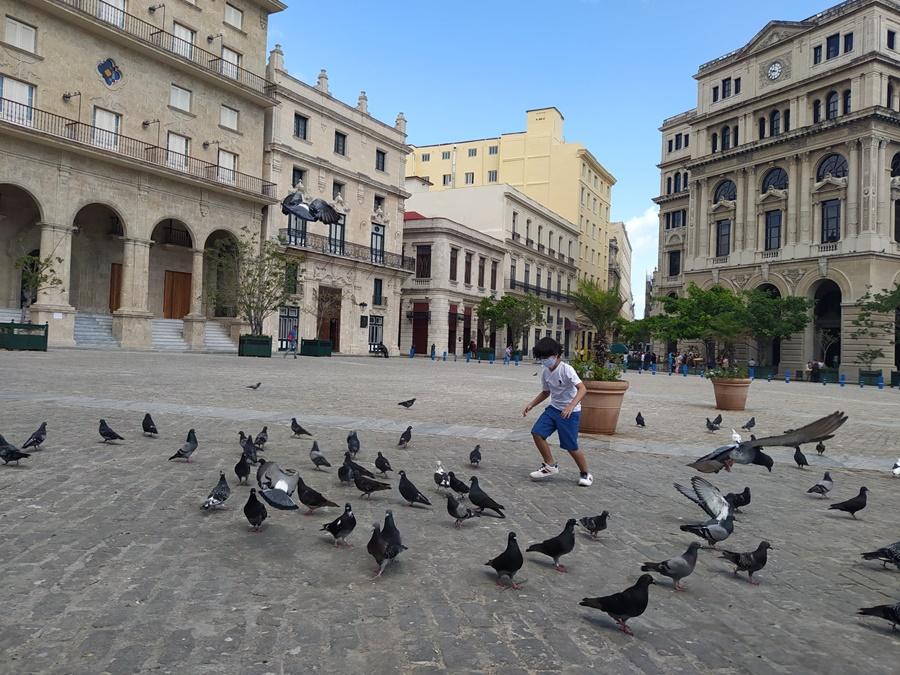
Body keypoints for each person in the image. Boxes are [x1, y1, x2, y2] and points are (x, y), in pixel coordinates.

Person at [522, 336, 592, 487]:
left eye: (545, 357)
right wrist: (531, 404)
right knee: (537, 433)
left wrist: (571, 406)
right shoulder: (546, 371)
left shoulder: (567, 369)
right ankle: (550, 465)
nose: (543, 360)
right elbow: (546, 392)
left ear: (556, 355)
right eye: (541, 358)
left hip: (569, 413)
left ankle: (585, 473)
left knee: (570, 446)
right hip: (553, 409)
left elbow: (582, 388)